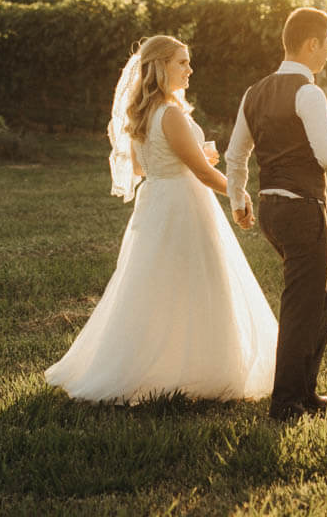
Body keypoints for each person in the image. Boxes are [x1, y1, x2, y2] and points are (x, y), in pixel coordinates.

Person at [44, 35, 277, 404]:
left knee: (155, 283)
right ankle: (197, 368)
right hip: (184, 205)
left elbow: (141, 165)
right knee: (198, 282)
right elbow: (200, 172)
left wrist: (187, 156)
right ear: (161, 67)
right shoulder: (170, 114)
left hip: (156, 203)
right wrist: (238, 193)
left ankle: (155, 362)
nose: (190, 69)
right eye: (182, 62)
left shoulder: (142, 114)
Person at [224, 7, 327, 421]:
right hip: (303, 209)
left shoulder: (252, 92)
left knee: (323, 290)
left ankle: (306, 391)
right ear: (311, 44)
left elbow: (236, 154)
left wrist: (238, 200)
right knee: (302, 303)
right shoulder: (308, 93)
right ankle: (287, 403)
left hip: (271, 209)